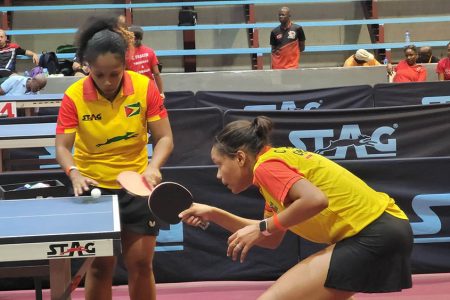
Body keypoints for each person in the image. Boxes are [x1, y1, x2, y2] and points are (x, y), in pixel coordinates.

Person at [180, 116, 413, 300]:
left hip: (373, 233)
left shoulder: (266, 167)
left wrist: (263, 226)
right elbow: (271, 237)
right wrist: (213, 213)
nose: (218, 175)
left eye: (219, 165)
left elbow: (314, 200)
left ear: (240, 158)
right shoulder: (272, 171)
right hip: (384, 229)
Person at [55, 16, 173, 300]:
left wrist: (153, 167)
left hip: (137, 186)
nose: (107, 82)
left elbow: (165, 138)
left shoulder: (144, 88)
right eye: (99, 74)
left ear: (125, 66)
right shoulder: (74, 96)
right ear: (87, 67)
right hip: (94, 189)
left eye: (115, 73)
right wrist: (74, 172)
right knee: (98, 268)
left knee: (141, 265)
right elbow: (62, 147)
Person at [126, 26, 165, 99]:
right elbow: (156, 74)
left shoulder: (125, 54)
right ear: (141, 38)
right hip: (149, 89)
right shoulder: (150, 51)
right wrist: (161, 92)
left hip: (134, 91)